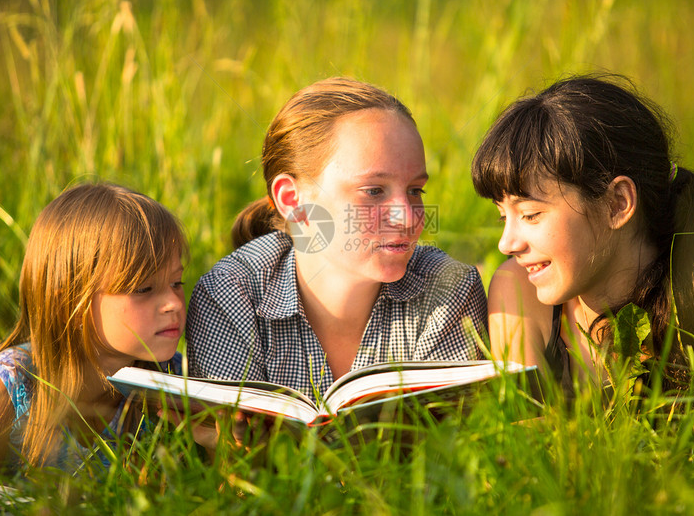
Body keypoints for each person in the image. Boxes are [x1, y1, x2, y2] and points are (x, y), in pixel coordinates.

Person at [471, 75, 694, 402]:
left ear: (618, 203)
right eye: (503, 216)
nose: (507, 244)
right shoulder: (518, 293)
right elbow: (519, 444)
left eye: (531, 215)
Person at [187, 77, 488, 401]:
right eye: (373, 190)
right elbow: (225, 444)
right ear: (292, 200)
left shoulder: (448, 289)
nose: (407, 216)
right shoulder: (231, 294)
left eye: (415, 190)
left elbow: (448, 441)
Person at [0, 182, 188, 485]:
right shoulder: (13, 381)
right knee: (4, 363)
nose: (173, 303)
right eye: (144, 288)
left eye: (177, 282)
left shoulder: (170, 379)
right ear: (69, 301)